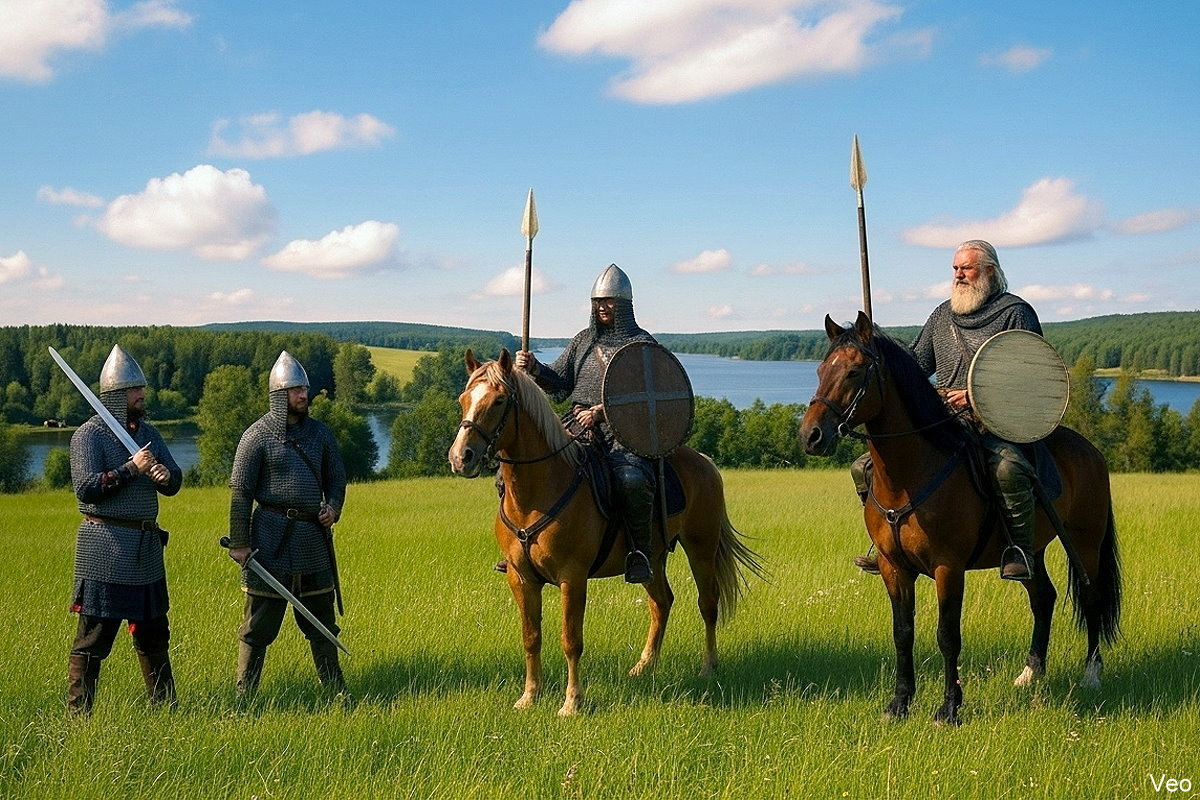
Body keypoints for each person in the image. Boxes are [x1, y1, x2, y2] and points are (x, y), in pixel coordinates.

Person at [854, 240, 1041, 581]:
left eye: (965, 268)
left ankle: (1019, 550)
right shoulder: (943, 313)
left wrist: (975, 394)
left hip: (995, 421)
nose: (958, 275)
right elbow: (915, 365)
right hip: (944, 419)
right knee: (865, 467)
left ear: (989, 271)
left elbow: (1030, 373)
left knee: (1007, 470)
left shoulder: (1016, 312)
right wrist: (877, 344)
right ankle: (883, 541)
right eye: (955, 268)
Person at [513, 263, 657, 584]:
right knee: (529, 465)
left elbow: (646, 395)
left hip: (623, 433)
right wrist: (536, 368)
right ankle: (518, 545)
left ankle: (639, 553)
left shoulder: (640, 343)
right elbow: (561, 381)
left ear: (624, 306)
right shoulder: (583, 341)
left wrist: (601, 411)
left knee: (631, 479)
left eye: (609, 302)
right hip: (576, 426)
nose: (603, 307)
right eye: (598, 302)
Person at [67, 344, 182, 716]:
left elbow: (174, 478)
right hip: (106, 548)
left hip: (145, 550)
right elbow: (87, 489)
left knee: (153, 637)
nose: (141, 395)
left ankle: (165, 712)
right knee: (93, 639)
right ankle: (78, 716)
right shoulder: (88, 436)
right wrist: (131, 469)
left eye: (142, 389)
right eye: (134, 390)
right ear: (116, 395)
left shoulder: (148, 432)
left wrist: (165, 477)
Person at [226, 351, 348, 697]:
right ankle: (244, 696)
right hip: (270, 542)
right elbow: (241, 492)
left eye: (305, 389)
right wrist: (240, 541)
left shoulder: (321, 435)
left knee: (322, 626)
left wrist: (333, 509)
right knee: (257, 627)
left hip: (312, 541)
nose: (303, 395)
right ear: (280, 395)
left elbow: (337, 481)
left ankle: (336, 692)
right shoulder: (257, 437)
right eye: (295, 390)